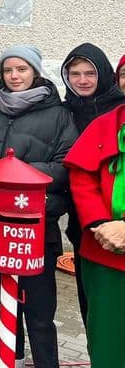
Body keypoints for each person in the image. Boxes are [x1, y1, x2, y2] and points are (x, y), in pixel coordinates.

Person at [0, 45, 77, 368]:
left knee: (40, 309)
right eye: (8, 70)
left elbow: (66, 166)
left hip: (37, 224)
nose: (14, 76)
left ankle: (47, 363)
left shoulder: (59, 114)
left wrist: (19, 175)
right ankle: (12, 360)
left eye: (22, 69)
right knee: (6, 301)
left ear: (35, 71)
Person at [60, 43, 125, 326]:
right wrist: (99, 223)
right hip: (93, 230)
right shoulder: (65, 111)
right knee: (99, 315)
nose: (82, 80)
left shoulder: (113, 110)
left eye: (90, 73)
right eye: (75, 74)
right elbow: (81, 173)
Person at [64, 104, 125, 368]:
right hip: (104, 253)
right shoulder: (104, 124)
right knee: (106, 341)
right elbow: (82, 176)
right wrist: (102, 224)